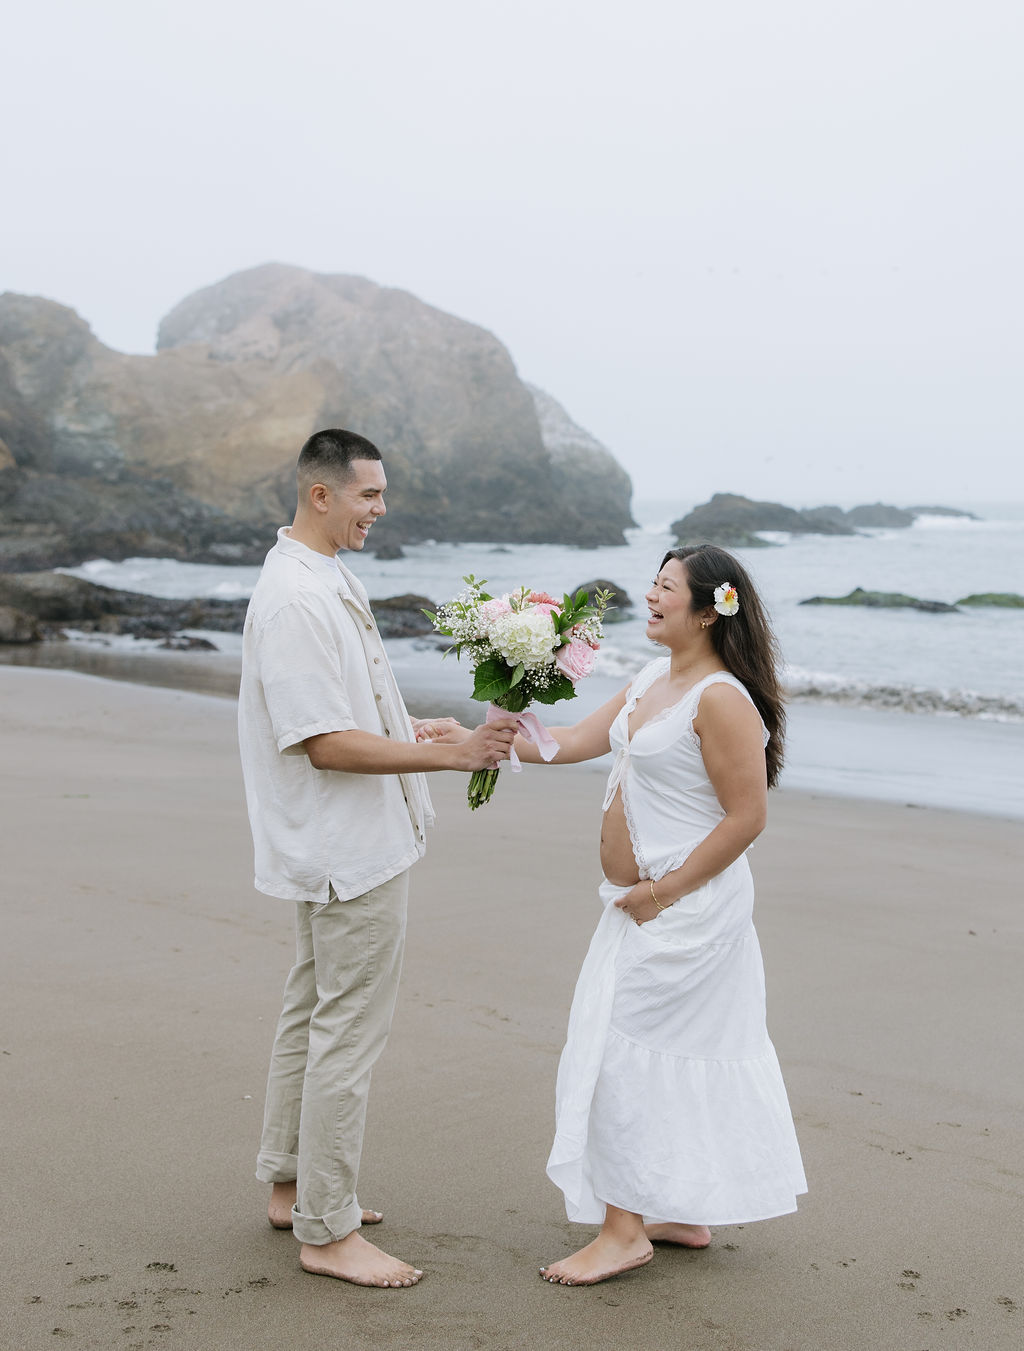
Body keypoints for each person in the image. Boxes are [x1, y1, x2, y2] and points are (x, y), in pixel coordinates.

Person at [237, 428, 517, 1289]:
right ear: (321, 494)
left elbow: (348, 705)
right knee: (346, 1032)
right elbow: (322, 742)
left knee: (311, 1011)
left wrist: (417, 728)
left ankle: (292, 1187)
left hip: (345, 843)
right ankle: (326, 1227)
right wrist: (454, 755)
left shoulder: (324, 573)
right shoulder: (295, 598)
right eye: (369, 495)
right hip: (345, 850)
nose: (381, 509)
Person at [514, 544, 806, 1286]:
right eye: (653, 580)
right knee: (659, 1050)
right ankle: (676, 1207)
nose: (649, 594)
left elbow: (748, 817)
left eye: (666, 587)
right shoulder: (652, 676)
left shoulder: (721, 698)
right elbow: (577, 741)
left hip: (685, 912)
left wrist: (660, 892)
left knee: (625, 1052)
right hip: (644, 906)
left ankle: (623, 1232)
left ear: (710, 611)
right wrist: (494, 731)